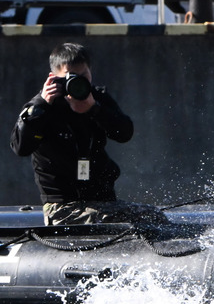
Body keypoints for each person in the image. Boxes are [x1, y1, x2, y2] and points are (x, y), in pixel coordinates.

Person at [9, 42, 161, 226]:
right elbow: (20, 147)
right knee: (131, 219)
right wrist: (41, 105)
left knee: (152, 217)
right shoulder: (41, 109)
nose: (78, 83)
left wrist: (95, 109)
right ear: (54, 78)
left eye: (83, 76)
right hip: (62, 206)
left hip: (103, 200)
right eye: (71, 78)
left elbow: (124, 133)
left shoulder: (97, 98)